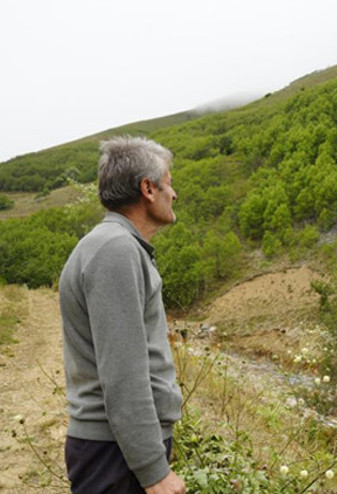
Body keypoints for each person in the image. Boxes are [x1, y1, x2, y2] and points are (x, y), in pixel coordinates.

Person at [59, 136, 185, 494]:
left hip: (118, 447)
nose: (174, 194)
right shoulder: (115, 250)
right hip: (114, 454)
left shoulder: (117, 246)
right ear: (148, 188)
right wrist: (153, 471)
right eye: (169, 182)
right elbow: (123, 373)